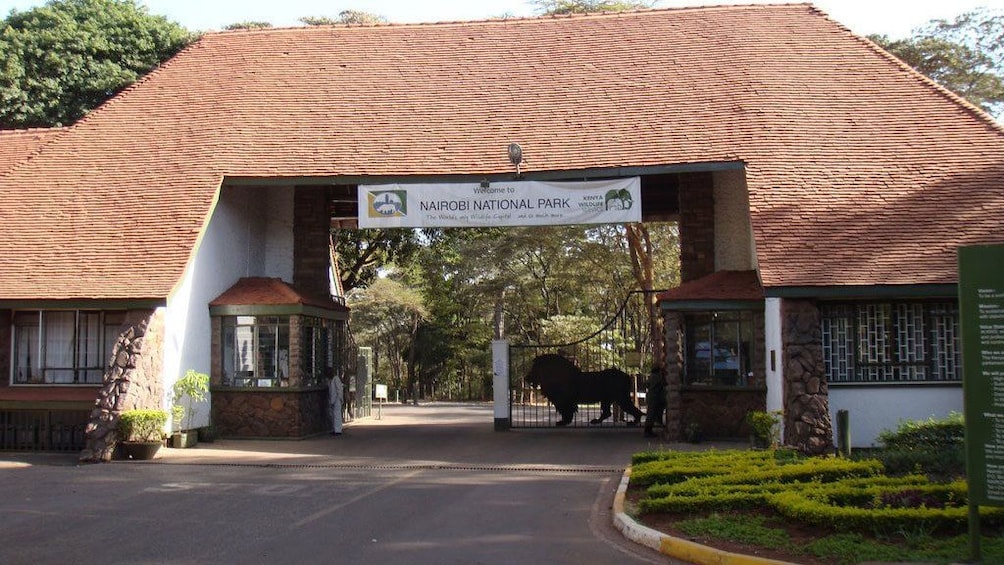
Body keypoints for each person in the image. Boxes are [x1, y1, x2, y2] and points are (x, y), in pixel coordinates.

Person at [643, 364, 666, 438]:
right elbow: (663, 384)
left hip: (651, 397)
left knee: (651, 413)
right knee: (651, 414)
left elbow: (646, 384)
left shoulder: (651, 377)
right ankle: (648, 431)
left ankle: (648, 430)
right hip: (655, 397)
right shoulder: (657, 377)